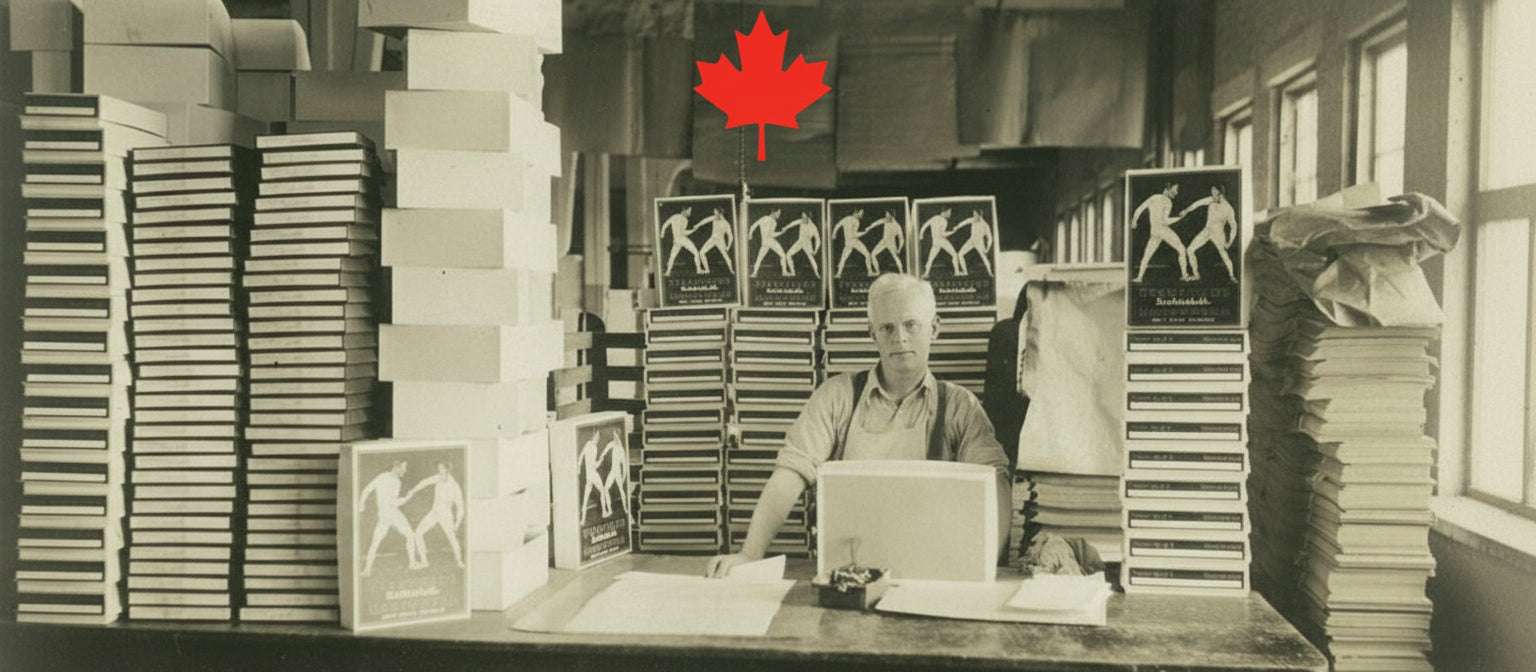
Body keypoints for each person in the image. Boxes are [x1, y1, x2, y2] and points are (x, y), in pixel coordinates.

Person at [706, 274, 1011, 578]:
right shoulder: (837, 396)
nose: (899, 338)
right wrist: (750, 553)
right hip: (849, 573)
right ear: (872, 333)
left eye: (911, 325)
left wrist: (987, 567)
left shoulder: (961, 406)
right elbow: (789, 474)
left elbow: (996, 482)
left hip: (931, 574)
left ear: (935, 328)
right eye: (887, 327)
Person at [358, 460, 422, 576]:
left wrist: (361, 505)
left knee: (408, 535)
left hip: (390, 513)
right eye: (403, 468)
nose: (405, 471)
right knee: (377, 541)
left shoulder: (396, 481)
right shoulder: (384, 478)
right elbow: (391, 502)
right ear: (396, 467)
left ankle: (368, 570)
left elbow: (368, 491)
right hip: (388, 514)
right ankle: (367, 569)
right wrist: (407, 498)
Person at [406, 461, 466, 569]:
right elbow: (425, 482)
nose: (439, 473)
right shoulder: (438, 478)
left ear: (447, 470)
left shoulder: (455, 487)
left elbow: (460, 508)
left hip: (446, 516)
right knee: (418, 533)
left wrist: (457, 524)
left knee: (452, 538)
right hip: (434, 513)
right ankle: (424, 562)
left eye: (441, 470)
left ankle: (459, 561)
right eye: (438, 470)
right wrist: (413, 490)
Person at [1130, 182, 1191, 282]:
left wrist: (1134, 222)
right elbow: (1164, 221)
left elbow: (1139, 209)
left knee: (1147, 255)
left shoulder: (1154, 197)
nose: (1176, 192)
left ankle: (1139, 277)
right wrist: (1179, 218)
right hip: (1163, 230)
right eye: (1175, 189)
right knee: (1182, 249)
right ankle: (1185, 275)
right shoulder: (1168, 201)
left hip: (1154, 231)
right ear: (1168, 189)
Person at [1178, 184, 1239, 283]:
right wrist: (1185, 211)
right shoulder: (1211, 200)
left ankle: (1232, 275)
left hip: (1218, 234)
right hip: (1207, 231)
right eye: (1212, 193)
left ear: (1220, 194)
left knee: (1223, 254)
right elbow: (1197, 203)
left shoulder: (1228, 209)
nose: (1212, 196)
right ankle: (1196, 274)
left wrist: (1230, 241)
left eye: (1214, 193)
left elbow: (1234, 226)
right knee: (1190, 249)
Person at [919, 207, 963, 277]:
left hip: (935, 242)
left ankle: (926, 273)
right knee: (954, 254)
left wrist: (921, 234)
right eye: (949, 212)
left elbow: (925, 225)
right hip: (941, 241)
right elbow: (942, 234)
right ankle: (957, 272)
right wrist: (952, 232)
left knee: (931, 258)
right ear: (944, 212)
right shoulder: (944, 221)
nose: (950, 214)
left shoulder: (934, 218)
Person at [579, 430, 611, 524]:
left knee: (585, 498)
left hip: (588, 476)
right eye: (597, 436)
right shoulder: (594, 447)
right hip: (593, 474)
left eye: (599, 437)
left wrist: (578, 466)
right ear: (593, 436)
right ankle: (604, 512)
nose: (598, 438)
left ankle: (583, 520)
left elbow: (581, 456)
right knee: (603, 490)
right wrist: (600, 461)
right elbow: (594, 466)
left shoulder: (587, 444)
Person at [954, 209, 995, 277]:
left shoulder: (985, 225)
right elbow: (965, 222)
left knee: (984, 258)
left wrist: (987, 249)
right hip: (971, 240)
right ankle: (965, 272)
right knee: (960, 254)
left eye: (975, 215)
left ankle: (990, 273)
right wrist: (957, 227)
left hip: (979, 243)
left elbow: (990, 238)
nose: (974, 217)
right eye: (973, 215)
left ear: (980, 215)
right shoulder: (973, 220)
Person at [660, 206, 700, 275]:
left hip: (677, 240)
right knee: (696, 253)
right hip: (681, 239)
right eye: (689, 211)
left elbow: (665, 225)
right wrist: (693, 230)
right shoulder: (683, 219)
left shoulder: (677, 217)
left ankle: (668, 272)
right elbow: (683, 232)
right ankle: (699, 270)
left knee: (672, 256)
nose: (690, 213)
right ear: (684, 210)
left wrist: (662, 233)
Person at [694, 207, 735, 274]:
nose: (715, 214)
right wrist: (697, 225)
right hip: (713, 239)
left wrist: (728, 246)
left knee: (726, 256)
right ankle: (707, 270)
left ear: (720, 213)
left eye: (716, 213)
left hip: (720, 241)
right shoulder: (714, 218)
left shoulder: (726, 224)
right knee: (701, 252)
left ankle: (731, 270)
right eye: (714, 213)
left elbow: (730, 236)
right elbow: (705, 220)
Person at [748, 208, 788, 277]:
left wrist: (750, 235)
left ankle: (754, 273)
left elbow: (752, 226)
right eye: (778, 214)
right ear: (773, 212)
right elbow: (771, 234)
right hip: (770, 241)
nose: (778, 215)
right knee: (783, 255)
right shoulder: (773, 222)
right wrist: (781, 233)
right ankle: (784, 272)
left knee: (759, 258)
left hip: (764, 242)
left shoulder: (763, 218)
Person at [782, 212, 822, 277]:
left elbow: (818, 240)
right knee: (788, 255)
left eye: (804, 217)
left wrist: (815, 250)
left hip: (807, 244)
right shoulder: (801, 221)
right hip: (800, 242)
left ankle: (817, 273)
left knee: (811, 258)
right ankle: (793, 273)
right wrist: (785, 227)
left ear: (808, 217)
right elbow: (793, 223)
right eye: (802, 217)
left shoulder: (813, 227)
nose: (802, 219)